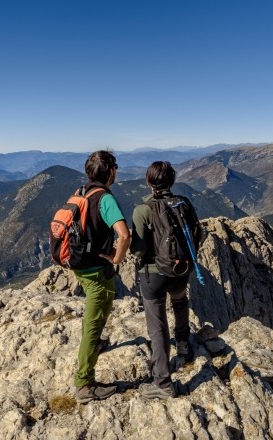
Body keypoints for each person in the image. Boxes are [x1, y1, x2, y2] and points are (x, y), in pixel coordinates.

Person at [130, 161, 198, 399]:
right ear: (172, 181)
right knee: (180, 302)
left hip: (153, 276)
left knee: (158, 327)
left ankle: (163, 382)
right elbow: (198, 233)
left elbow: (137, 251)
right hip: (181, 270)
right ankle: (183, 344)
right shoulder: (184, 203)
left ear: (149, 182)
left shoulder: (143, 210)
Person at [72, 150, 131, 404]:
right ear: (110, 172)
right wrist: (117, 259)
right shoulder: (104, 198)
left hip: (79, 266)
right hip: (96, 269)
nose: (116, 171)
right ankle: (85, 383)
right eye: (115, 167)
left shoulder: (80, 192)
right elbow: (124, 234)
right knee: (94, 321)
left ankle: (97, 340)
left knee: (97, 312)